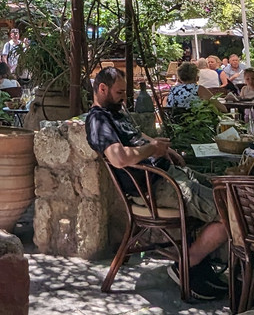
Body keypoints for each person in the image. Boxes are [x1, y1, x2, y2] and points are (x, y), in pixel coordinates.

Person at [86, 67, 229, 300]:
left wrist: (164, 148)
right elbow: (118, 158)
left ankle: (201, 263)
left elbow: (138, 138)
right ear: (102, 89)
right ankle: (188, 262)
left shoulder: (116, 113)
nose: (124, 97)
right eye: (119, 92)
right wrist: (153, 149)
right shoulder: (98, 120)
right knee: (230, 212)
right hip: (155, 188)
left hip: (168, 176)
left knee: (226, 191)